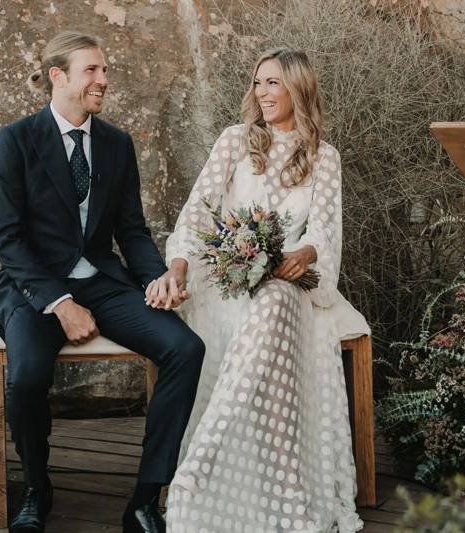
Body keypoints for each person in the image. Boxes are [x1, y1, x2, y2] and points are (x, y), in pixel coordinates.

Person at [0, 31, 204, 533]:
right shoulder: (15, 140)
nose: (104, 80)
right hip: (35, 288)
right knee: (27, 379)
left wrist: (158, 278)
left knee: (185, 348)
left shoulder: (116, 144)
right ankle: (37, 490)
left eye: (105, 71)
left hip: (104, 281)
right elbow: (8, 240)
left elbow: (131, 229)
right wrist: (60, 303)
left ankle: (147, 498)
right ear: (58, 76)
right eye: (92, 71)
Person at [148, 48, 364, 532]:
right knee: (256, 307)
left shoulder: (324, 158)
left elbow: (324, 231)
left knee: (272, 303)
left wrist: (302, 256)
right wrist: (180, 266)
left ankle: (242, 468)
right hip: (224, 274)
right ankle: (208, 469)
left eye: (273, 84)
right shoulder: (234, 141)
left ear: (298, 89)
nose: (261, 94)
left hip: (288, 279)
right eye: (257, 83)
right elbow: (197, 211)